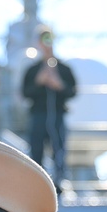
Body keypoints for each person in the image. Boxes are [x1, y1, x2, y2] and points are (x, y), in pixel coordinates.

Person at [22, 25, 76, 191]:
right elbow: (25, 92)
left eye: (49, 39)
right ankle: (37, 182)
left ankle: (59, 181)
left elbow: (72, 91)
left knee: (59, 148)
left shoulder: (64, 69)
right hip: (38, 115)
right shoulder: (32, 70)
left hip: (57, 115)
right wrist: (39, 81)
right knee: (36, 148)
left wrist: (58, 84)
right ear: (39, 43)